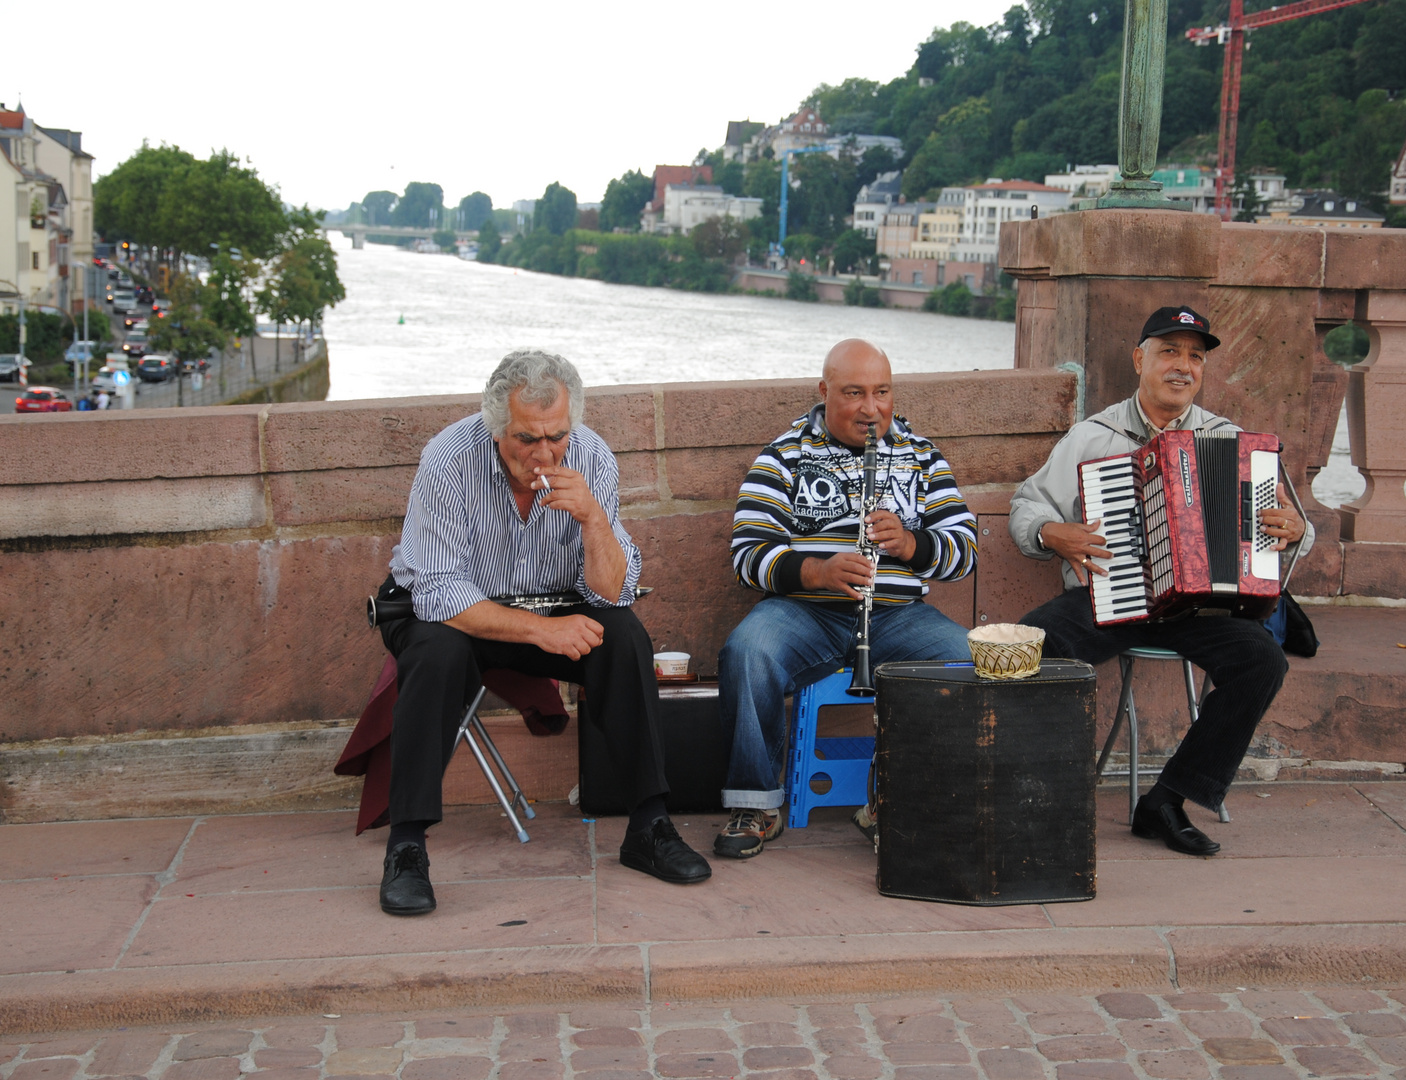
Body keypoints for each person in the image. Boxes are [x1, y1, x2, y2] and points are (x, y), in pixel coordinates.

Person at [377, 348, 710, 917]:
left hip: (553, 603)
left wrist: (593, 519)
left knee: (623, 635)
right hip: (455, 614)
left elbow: (611, 592)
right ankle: (406, 846)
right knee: (435, 652)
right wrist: (540, 632)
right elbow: (436, 593)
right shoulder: (448, 458)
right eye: (525, 439)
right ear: (495, 426)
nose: (543, 453)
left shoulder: (591, 457)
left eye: (555, 436)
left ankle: (649, 826)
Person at [1009, 305, 1312, 858]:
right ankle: (1033, 792)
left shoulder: (1232, 442)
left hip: (1202, 608)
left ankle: (1167, 801)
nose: (1183, 366)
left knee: (1261, 661)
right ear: (1139, 359)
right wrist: (1055, 533)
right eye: (1170, 351)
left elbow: (1291, 537)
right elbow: (1025, 505)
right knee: (1030, 646)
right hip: (1110, 596)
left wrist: (1293, 530)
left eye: (1195, 356)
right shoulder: (1092, 436)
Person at [715, 338, 979, 859]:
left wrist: (910, 543)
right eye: (854, 393)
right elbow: (747, 555)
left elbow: (965, 552)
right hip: (804, 611)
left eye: (882, 393)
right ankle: (757, 804)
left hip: (899, 615)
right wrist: (818, 571)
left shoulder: (920, 455)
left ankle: (891, 795)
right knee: (748, 651)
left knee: (973, 660)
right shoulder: (786, 454)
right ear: (824, 391)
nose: (871, 408)